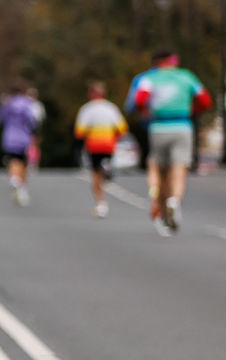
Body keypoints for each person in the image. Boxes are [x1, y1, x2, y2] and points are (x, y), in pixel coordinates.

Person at [128, 48, 212, 236]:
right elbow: (205, 101)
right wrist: (192, 109)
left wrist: (146, 113)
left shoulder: (149, 78)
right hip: (182, 125)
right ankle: (174, 200)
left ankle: (155, 197)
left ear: (156, 62)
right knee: (178, 168)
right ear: (172, 61)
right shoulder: (186, 76)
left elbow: (140, 100)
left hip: (158, 127)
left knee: (156, 167)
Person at [74, 80, 128, 219]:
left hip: (94, 145)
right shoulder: (111, 108)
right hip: (109, 145)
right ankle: (107, 167)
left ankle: (100, 204)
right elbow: (122, 129)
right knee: (103, 171)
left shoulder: (87, 109)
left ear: (91, 93)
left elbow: (79, 132)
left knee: (95, 175)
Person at [0, 83, 40, 206]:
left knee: (13, 160)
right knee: (23, 162)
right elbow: (31, 120)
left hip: (9, 137)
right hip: (23, 137)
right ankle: (22, 188)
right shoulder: (27, 103)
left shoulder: (7, 104)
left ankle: (14, 179)